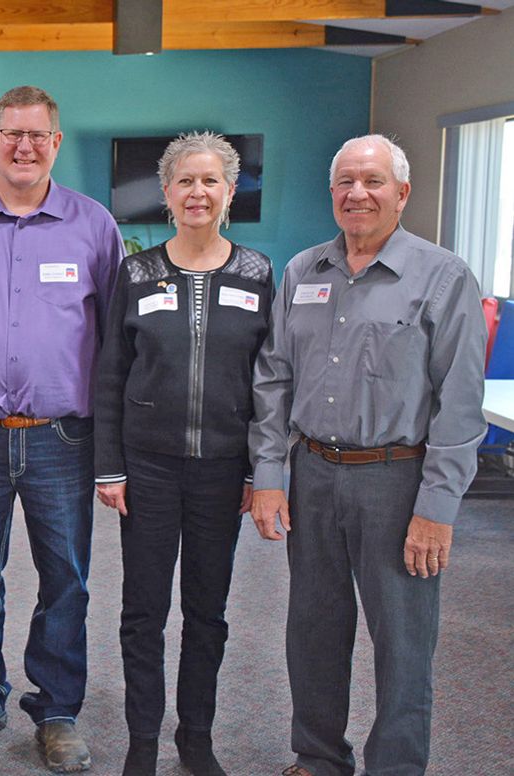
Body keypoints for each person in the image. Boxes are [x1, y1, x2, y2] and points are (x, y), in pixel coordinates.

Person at [249, 135, 487, 776]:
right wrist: (270, 475)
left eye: (374, 181)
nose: (358, 193)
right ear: (332, 195)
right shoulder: (303, 272)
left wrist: (438, 508)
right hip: (312, 476)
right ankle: (319, 758)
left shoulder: (442, 276)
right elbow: (273, 380)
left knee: (404, 644)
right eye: (346, 182)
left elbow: (460, 406)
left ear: (402, 193)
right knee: (314, 631)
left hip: (398, 481)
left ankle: (397, 767)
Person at [0, 85, 125, 773]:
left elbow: (117, 342)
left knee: (65, 577)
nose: (24, 146)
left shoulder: (94, 226)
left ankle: (58, 708)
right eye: (11, 133)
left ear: (56, 143)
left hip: (61, 437)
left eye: (37, 135)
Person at [95, 132, 274, 776]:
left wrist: (261, 468)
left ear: (229, 192)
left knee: (208, 610)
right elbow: (111, 373)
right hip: (147, 470)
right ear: (166, 194)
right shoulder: (137, 272)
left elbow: (267, 382)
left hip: (222, 472)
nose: (198, 193)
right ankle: (142, 739)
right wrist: (109, 466)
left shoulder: (256, 272)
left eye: (211, 182)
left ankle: (195, 736)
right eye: (185, 182)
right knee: (142, 610)